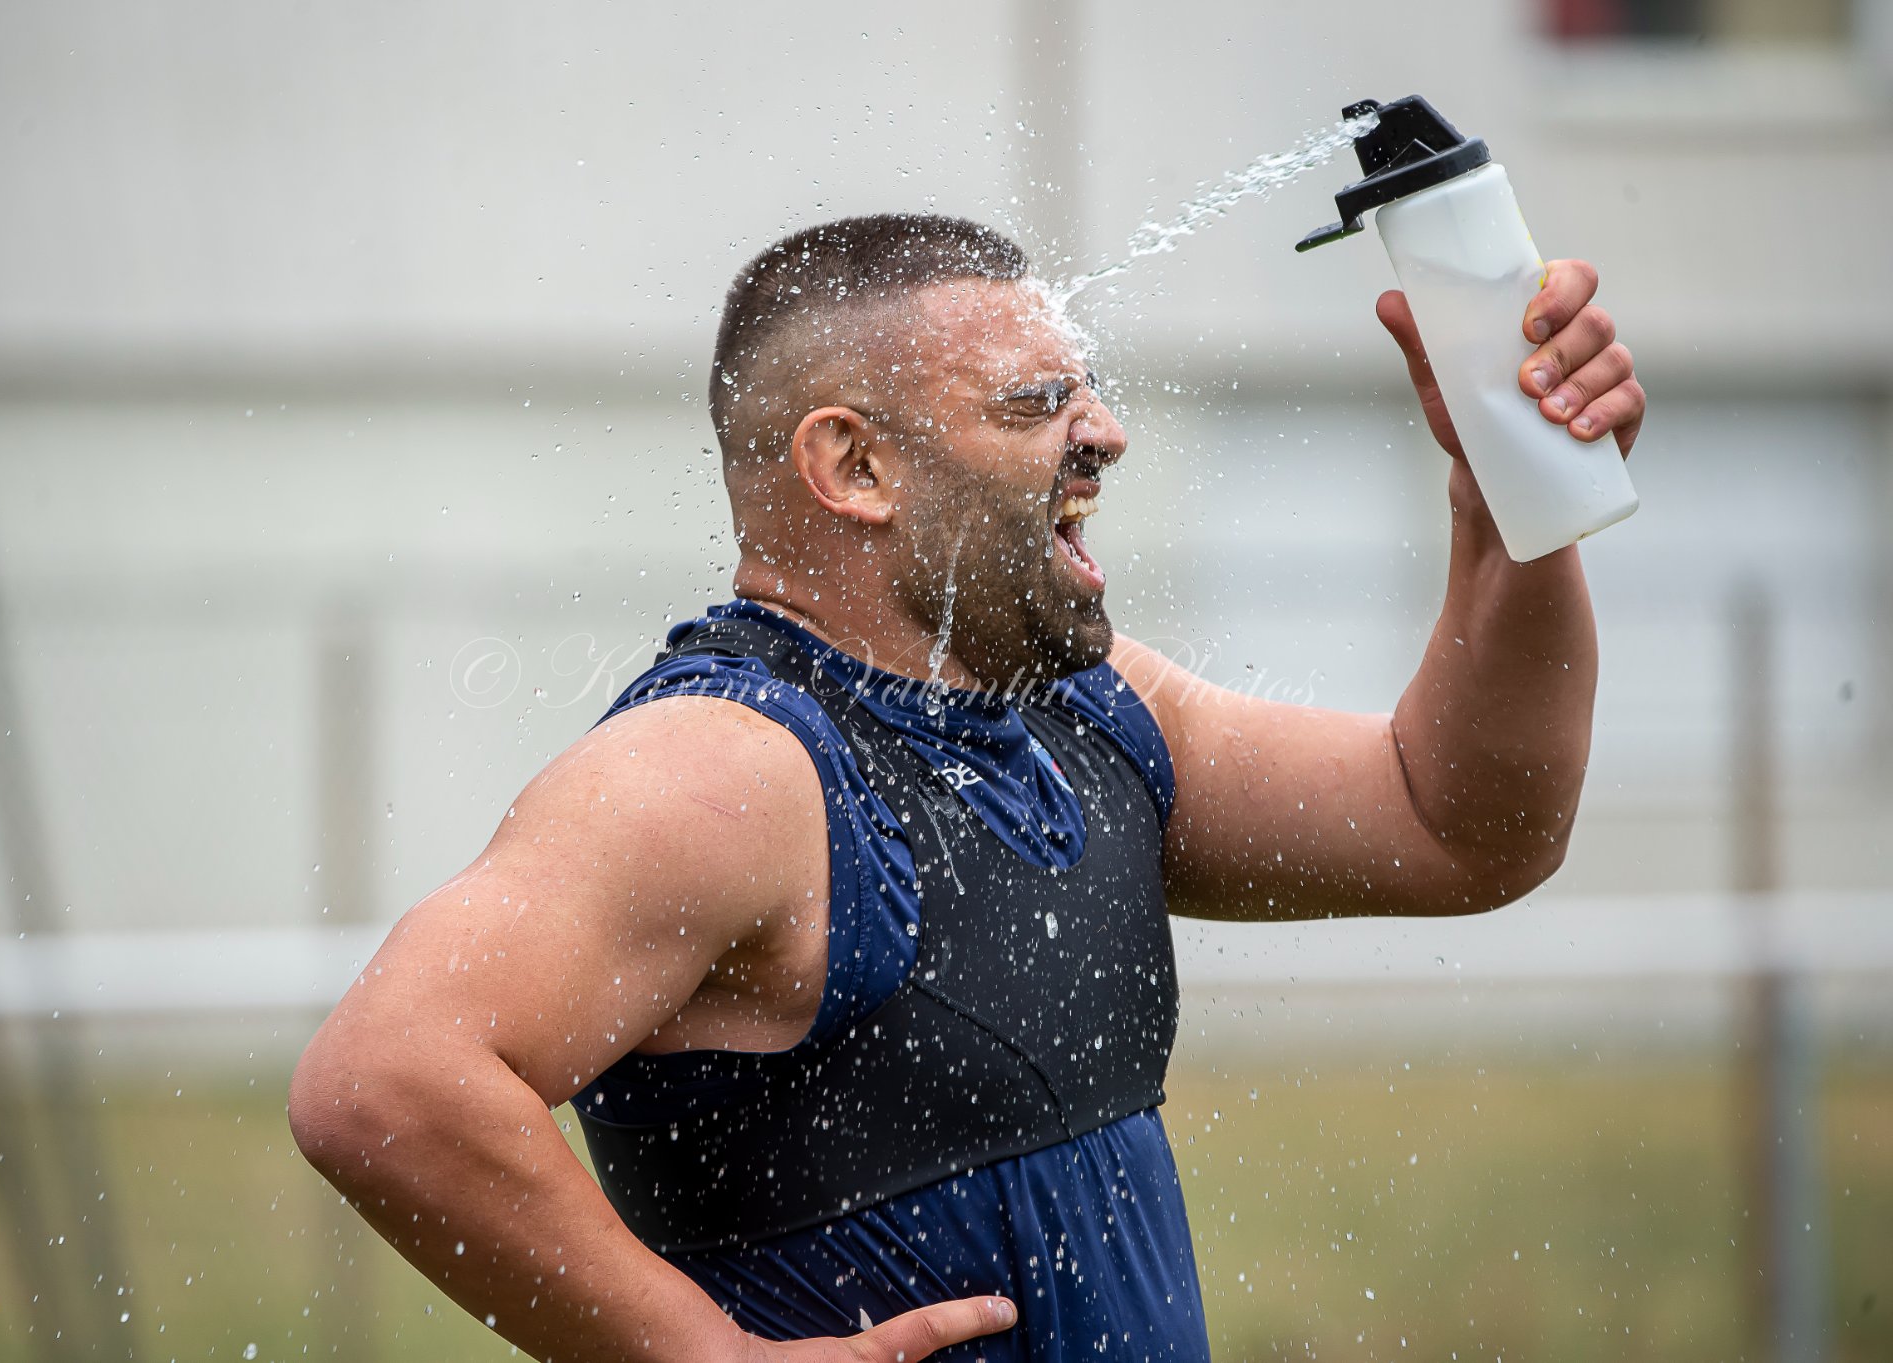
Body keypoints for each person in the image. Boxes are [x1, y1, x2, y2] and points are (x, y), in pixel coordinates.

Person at [287, 213, 1644, 1362]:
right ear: (855, 468)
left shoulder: (1086, 718)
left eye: (1086, 391)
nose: (1104, 435)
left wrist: (1505, 499)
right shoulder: (720, 772)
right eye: (1035, 403)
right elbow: (385, 1085)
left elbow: (1458, 827)